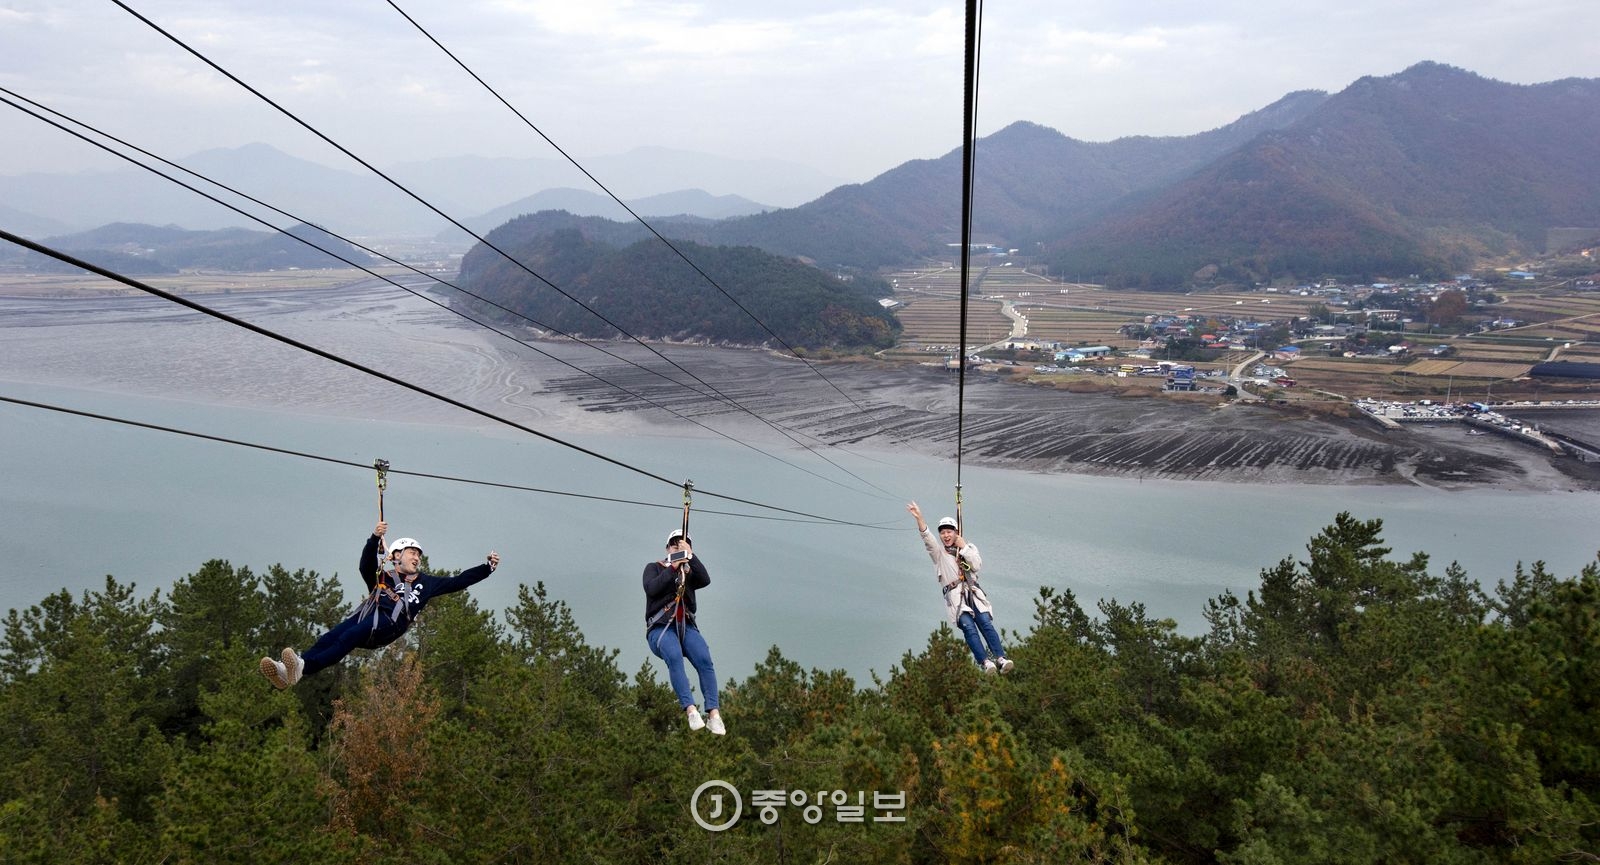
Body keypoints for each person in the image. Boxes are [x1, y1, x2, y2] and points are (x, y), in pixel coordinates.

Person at [259, 521, 499, 688]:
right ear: (396, 556)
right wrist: (374, 538)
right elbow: (365, 565)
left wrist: (486, 568)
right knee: (331, 637)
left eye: (419, 555)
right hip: (368, 616)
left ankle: (303, 666)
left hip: (388, 625)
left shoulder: (427, 583)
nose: (417, 557)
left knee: (348, 636)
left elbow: (459, 581)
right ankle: (287, 672)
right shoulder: (383, 576)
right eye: (411, 553)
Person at [906, 501, 1014, 674]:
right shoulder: (939, 553)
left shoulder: (968, 548)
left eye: (949, 532)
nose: (946, 535)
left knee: (985, 623)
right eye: (943, 532)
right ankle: (986, 662)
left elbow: (977, 565)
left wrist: (963, 547)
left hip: (973, 593)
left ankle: (1001, 658)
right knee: (969, 628)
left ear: (956, 532)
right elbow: (928, 539)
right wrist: (920, 518)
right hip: (956, 599)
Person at [643, 529, 725, 735]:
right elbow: (652, 589)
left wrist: (690, 557)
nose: (676, 548)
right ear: (667, 548)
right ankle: (690, 709)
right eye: (674, 545)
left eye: (682, 545)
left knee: (704, 659)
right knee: (674, 656)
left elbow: (705, 580)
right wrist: (673, 567)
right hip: (661, 628)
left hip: (685, 627)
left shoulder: (689, 574)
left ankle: (713, 713)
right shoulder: (655, 568)